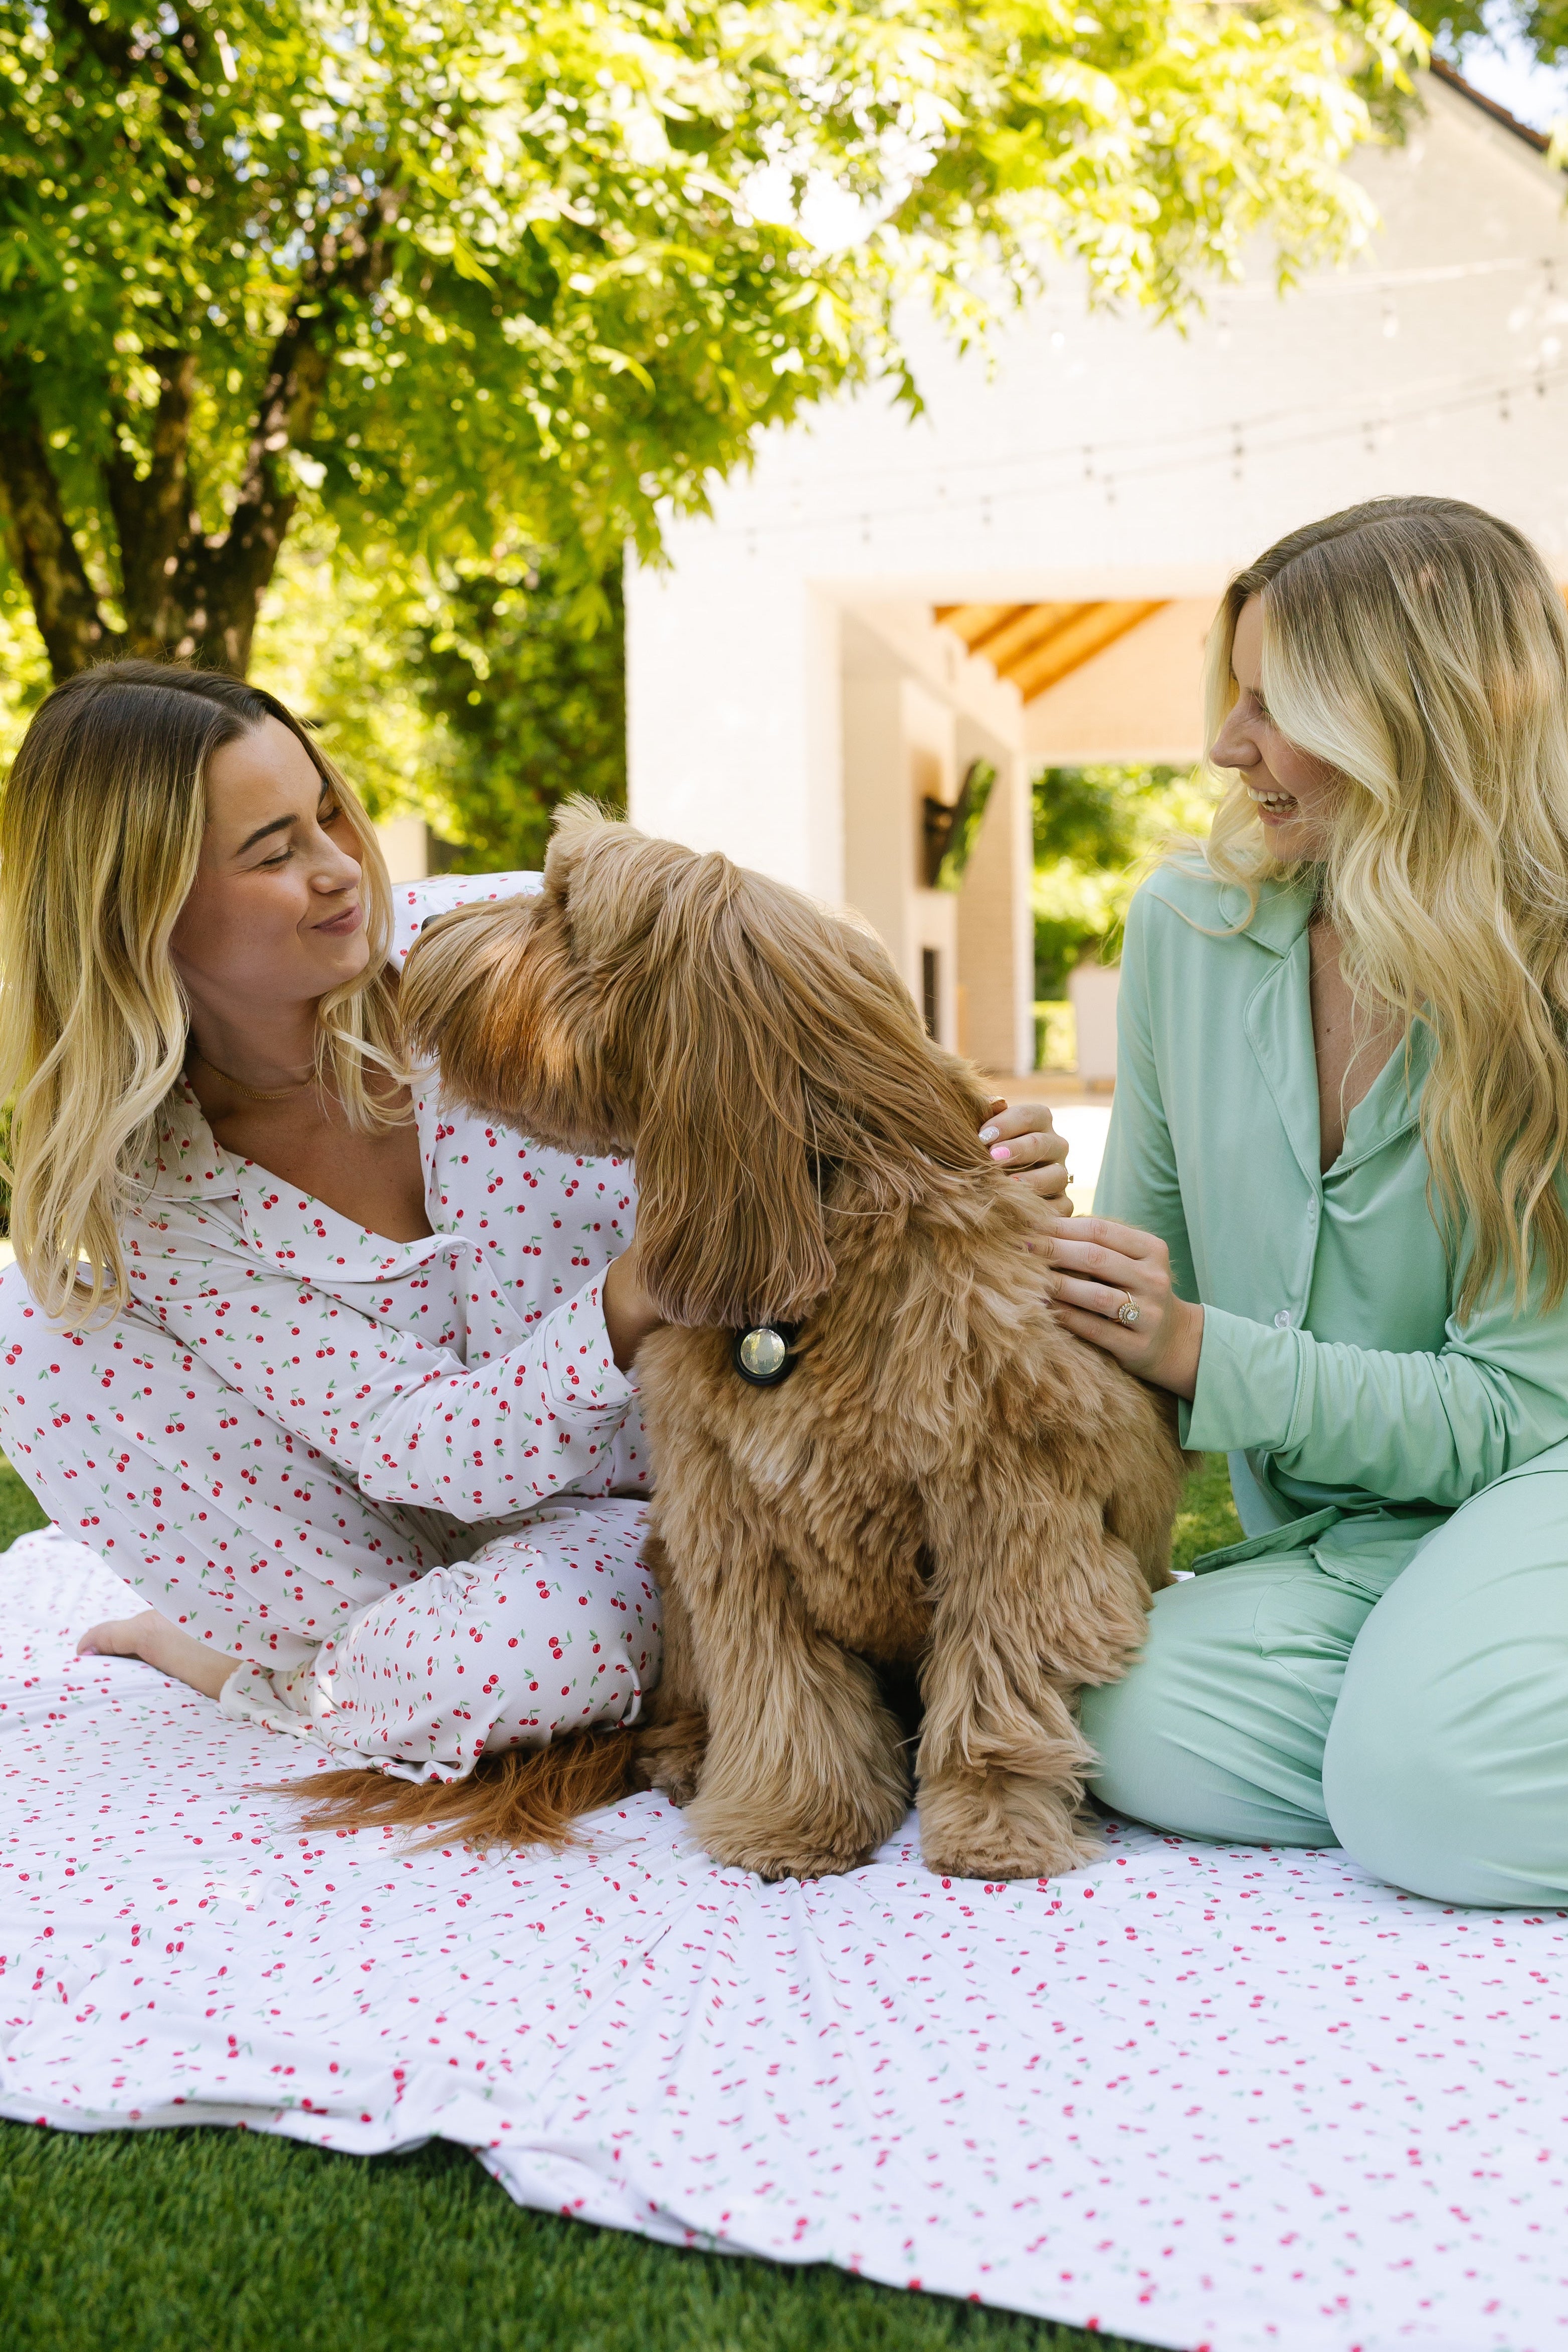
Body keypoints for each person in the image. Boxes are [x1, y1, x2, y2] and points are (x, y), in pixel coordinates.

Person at [0, 659, 1068, 1822]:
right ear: (139, 912)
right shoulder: (163, 1192)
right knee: (29, 1333)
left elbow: (819, 1048)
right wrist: (630, 1295)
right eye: (271, 853)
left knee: (512, 1652)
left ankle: (376, 1680)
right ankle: (303, 1667)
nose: (339, 869)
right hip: (434, 1523)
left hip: (704, 1495)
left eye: (328, 813)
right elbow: (416, 1448)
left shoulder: (511, 946)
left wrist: (985, 1148)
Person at [1045, 495, 1568, 1909]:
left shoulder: (1551, 985)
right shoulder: (1189, 930)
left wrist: (1200, 1348)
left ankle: (1443, 1744)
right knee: (1091, 1716)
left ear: (1415, 716)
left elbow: (1522, 1412)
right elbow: (1130, 1286)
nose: (1228, 747)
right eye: (1235, 695)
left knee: (1433, 1795)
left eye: (1277, 703)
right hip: (1350, 1541)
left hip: (1543, 1485)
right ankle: (1447, 1709)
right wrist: (1023, 1240)